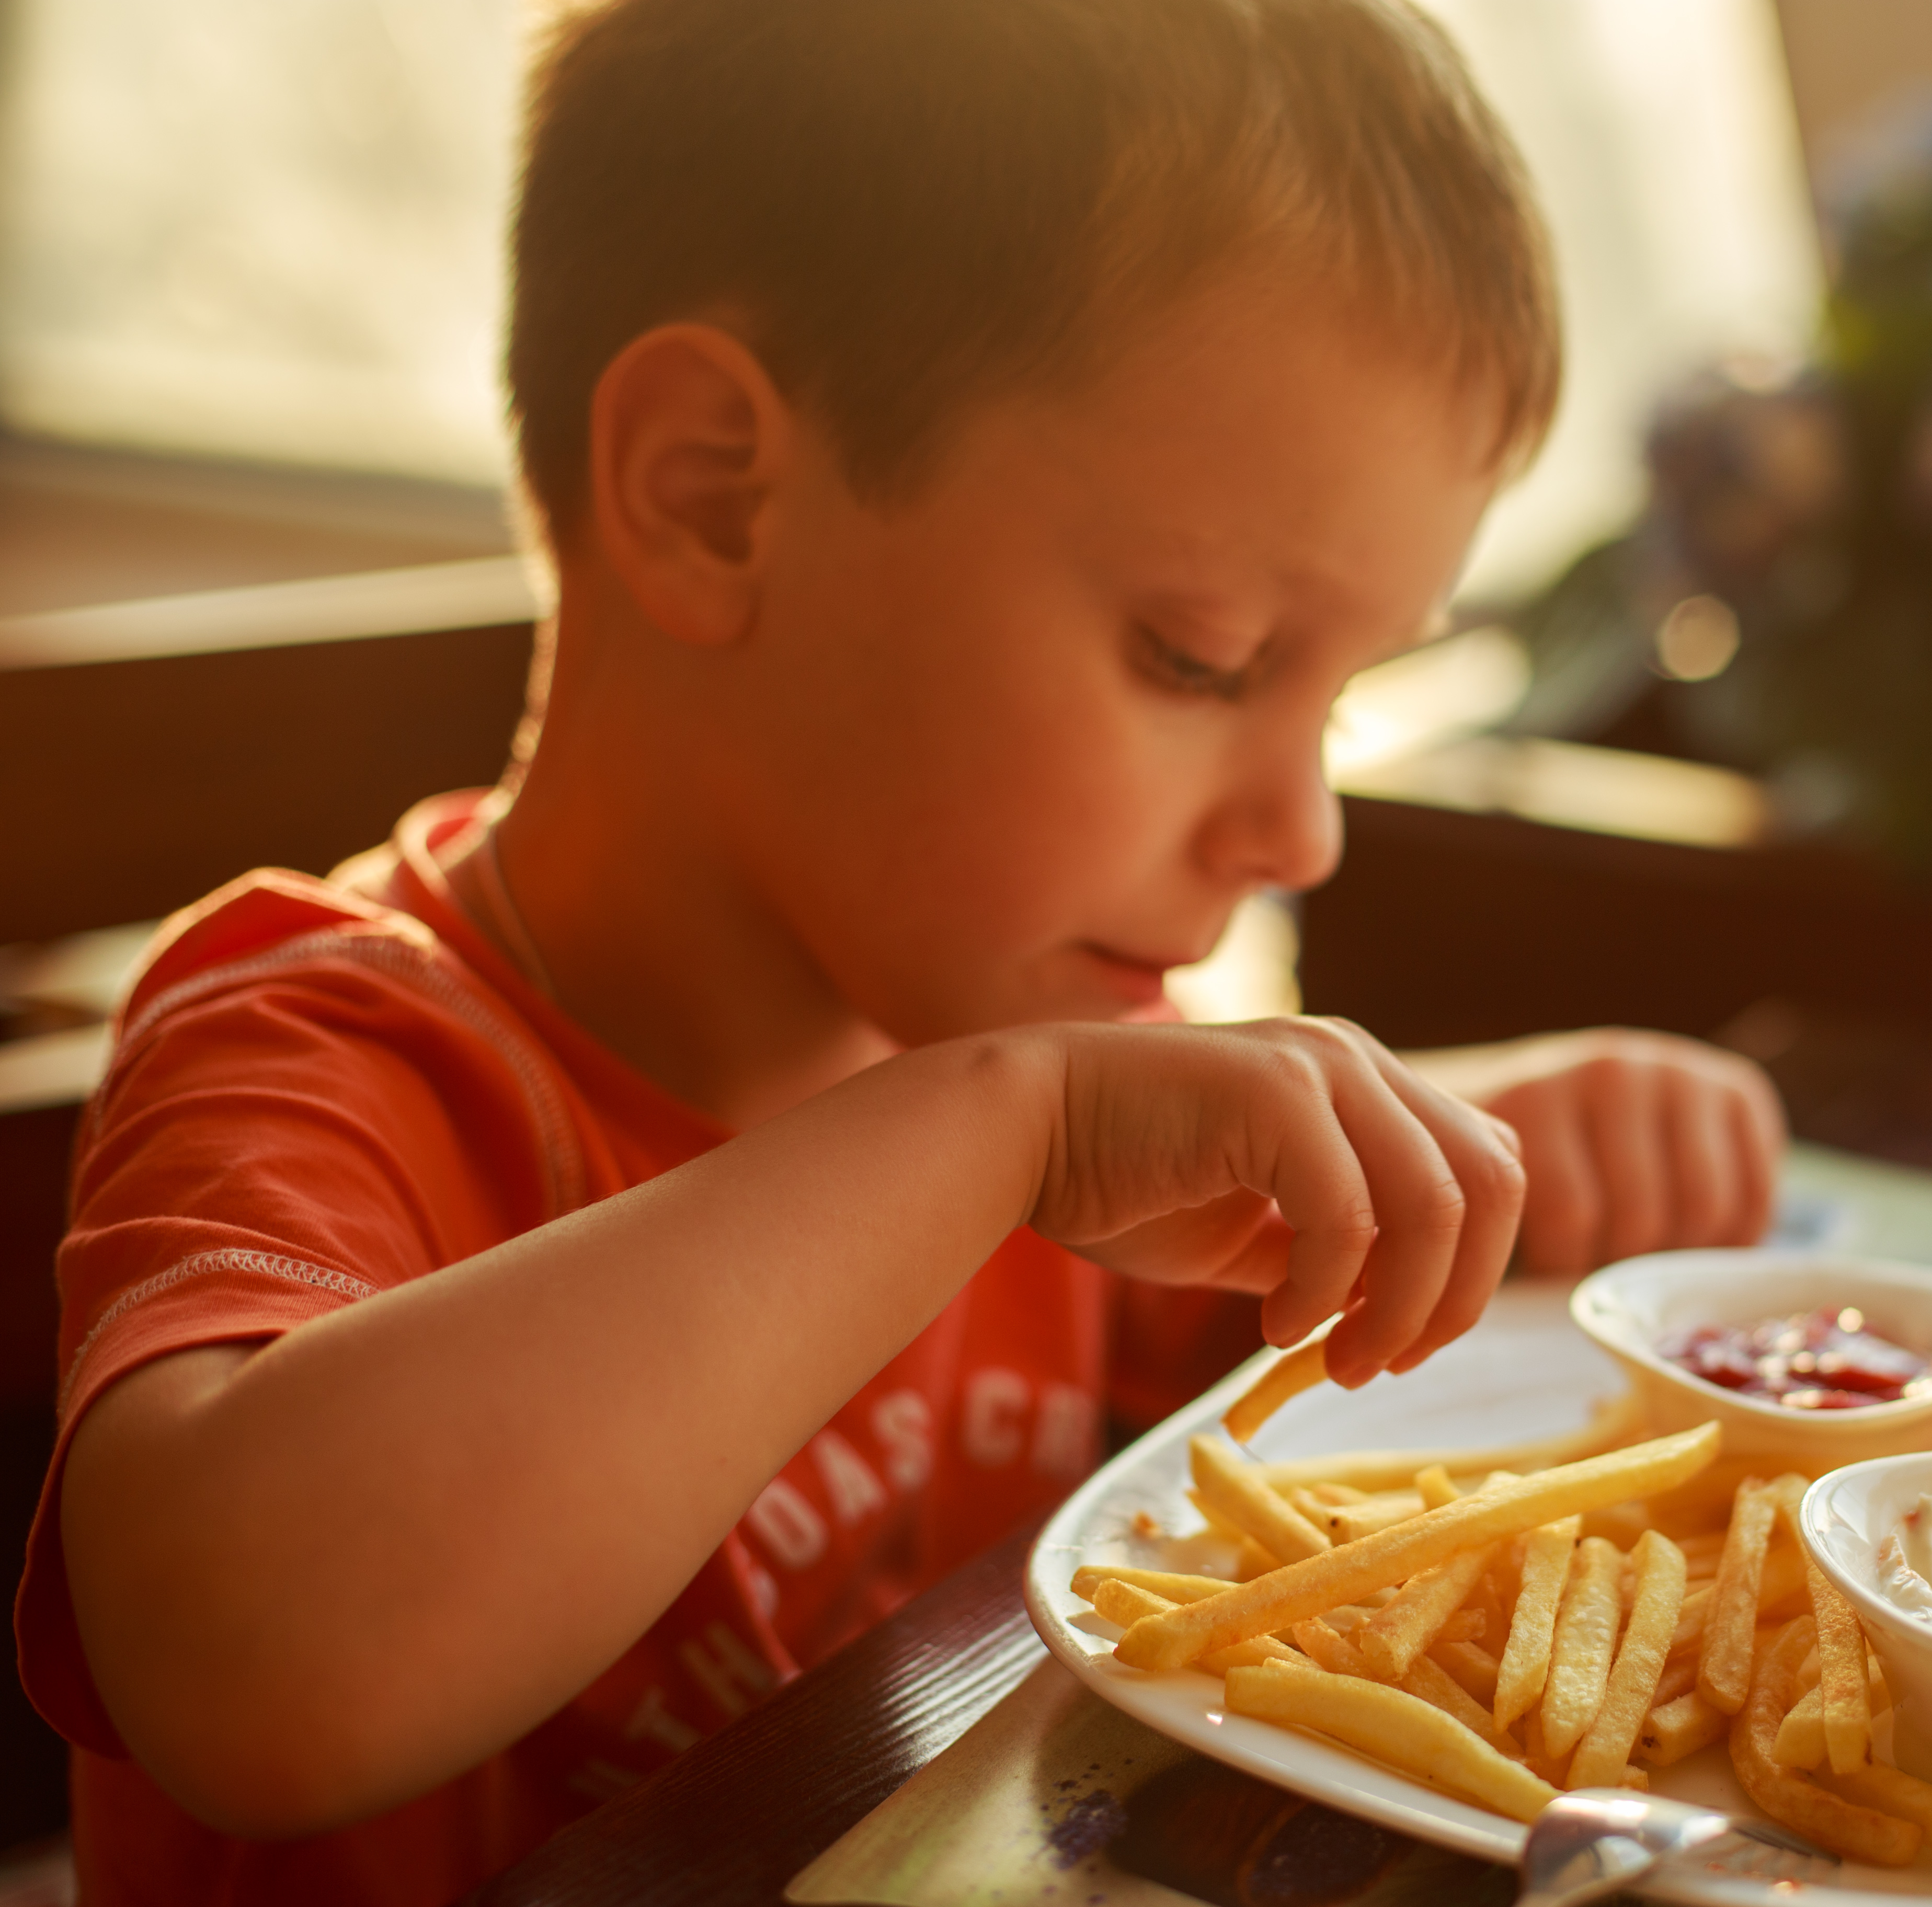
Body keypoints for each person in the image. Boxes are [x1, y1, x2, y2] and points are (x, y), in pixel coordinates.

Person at [15, 1, 1787, 1899]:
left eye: (1345, 695)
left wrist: (1454, 1143)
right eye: (1201, 656)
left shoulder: (990, 1013)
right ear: (717, 495)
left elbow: (1207, 1299)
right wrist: (996, 1128)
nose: (1301, 831)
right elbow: (256, 1668)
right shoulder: (322, 1055)